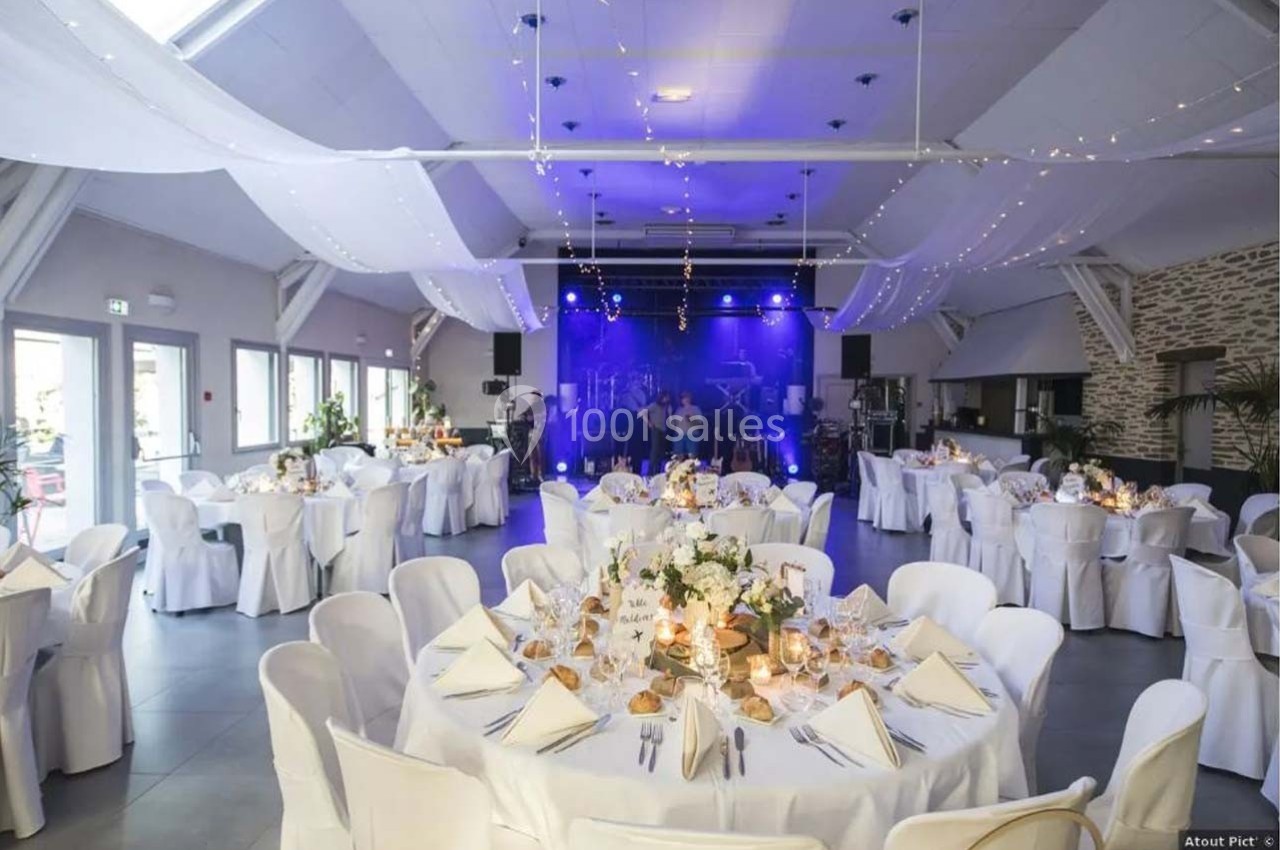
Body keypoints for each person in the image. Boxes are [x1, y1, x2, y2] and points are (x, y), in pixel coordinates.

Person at [644, 391, 671, 475]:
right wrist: (648, 422)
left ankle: (658, 471)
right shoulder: (654, 405)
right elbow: (644, 412)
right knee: (655, 450)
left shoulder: (666, 407)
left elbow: (669, 417)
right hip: (656, 429)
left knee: (661, 451)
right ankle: (650, 471)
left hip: (663, 430)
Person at [672, 390, 702, 458]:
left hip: (692, 435)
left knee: (692, 457)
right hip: (679, 436)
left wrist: (691, 420)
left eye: (687, 397)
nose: (685, 399)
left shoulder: (695, 409)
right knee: (678, 457)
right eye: (683, 397)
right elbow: (674, 423)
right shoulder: (678, 409)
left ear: (690, 398)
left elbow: (700, 423)